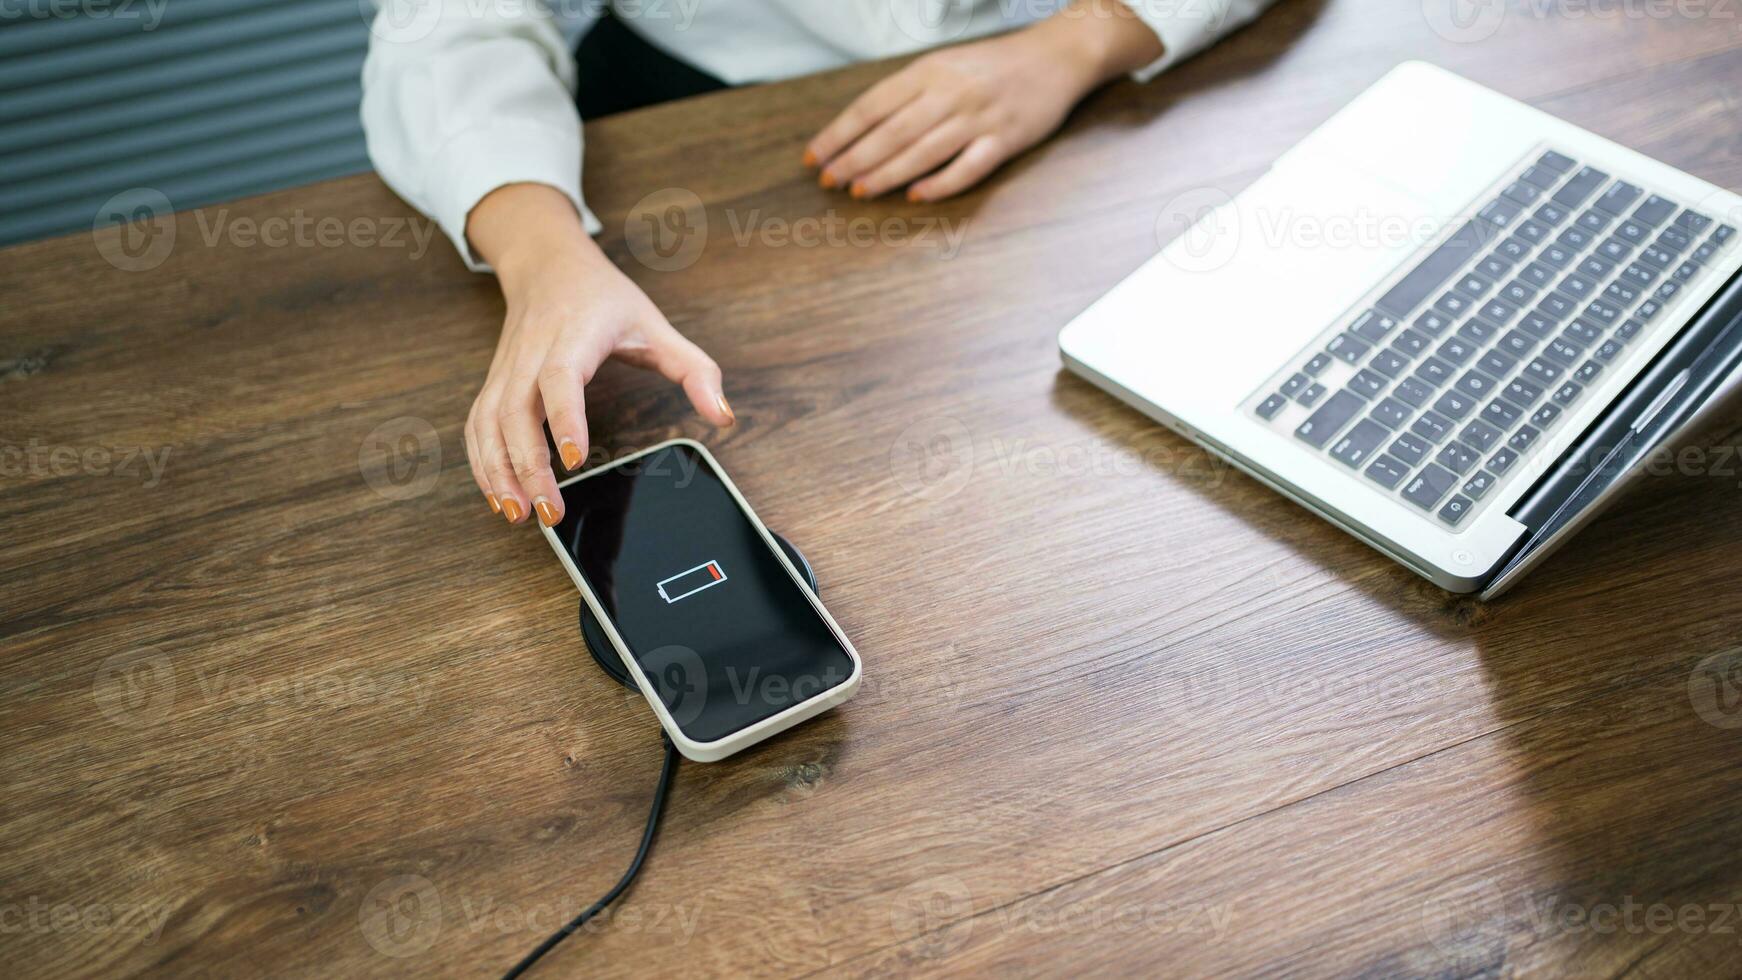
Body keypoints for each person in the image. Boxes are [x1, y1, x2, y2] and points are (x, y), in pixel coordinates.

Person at [362, 0, 1278, 527]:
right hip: (685, 123)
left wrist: (1082, 40)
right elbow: (445, 23)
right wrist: (542, 253)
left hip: (1080, 103)